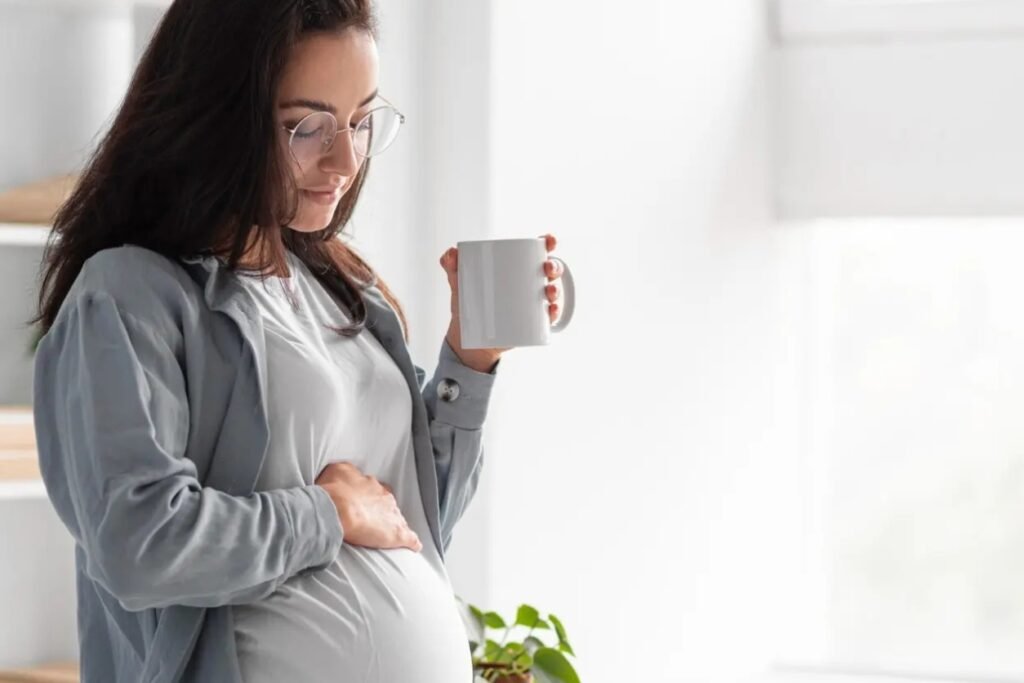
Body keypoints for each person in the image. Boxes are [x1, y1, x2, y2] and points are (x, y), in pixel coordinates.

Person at [28, 1, 566, 681]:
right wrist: (327, 513)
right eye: (307, 126)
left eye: (361, 121)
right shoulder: (129, 296)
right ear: (219, 114)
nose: (344, 160)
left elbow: (415, 528)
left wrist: (472, 360)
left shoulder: (347, 293)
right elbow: (139, 542)